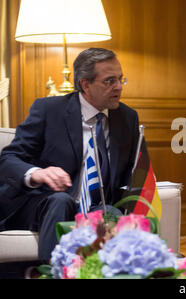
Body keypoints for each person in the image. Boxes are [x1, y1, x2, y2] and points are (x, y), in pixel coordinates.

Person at [0, 48, 141, 262]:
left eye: (121, 79)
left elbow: (129, 175)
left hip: (97, 206)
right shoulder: (49, 110)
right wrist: (38, 173)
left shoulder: (127, 118)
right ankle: (54, 272)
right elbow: (8, 159)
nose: (119, 87)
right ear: (85, 84)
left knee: (113, 213)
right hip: (43, 204)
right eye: (109, 81)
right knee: (61, 201)